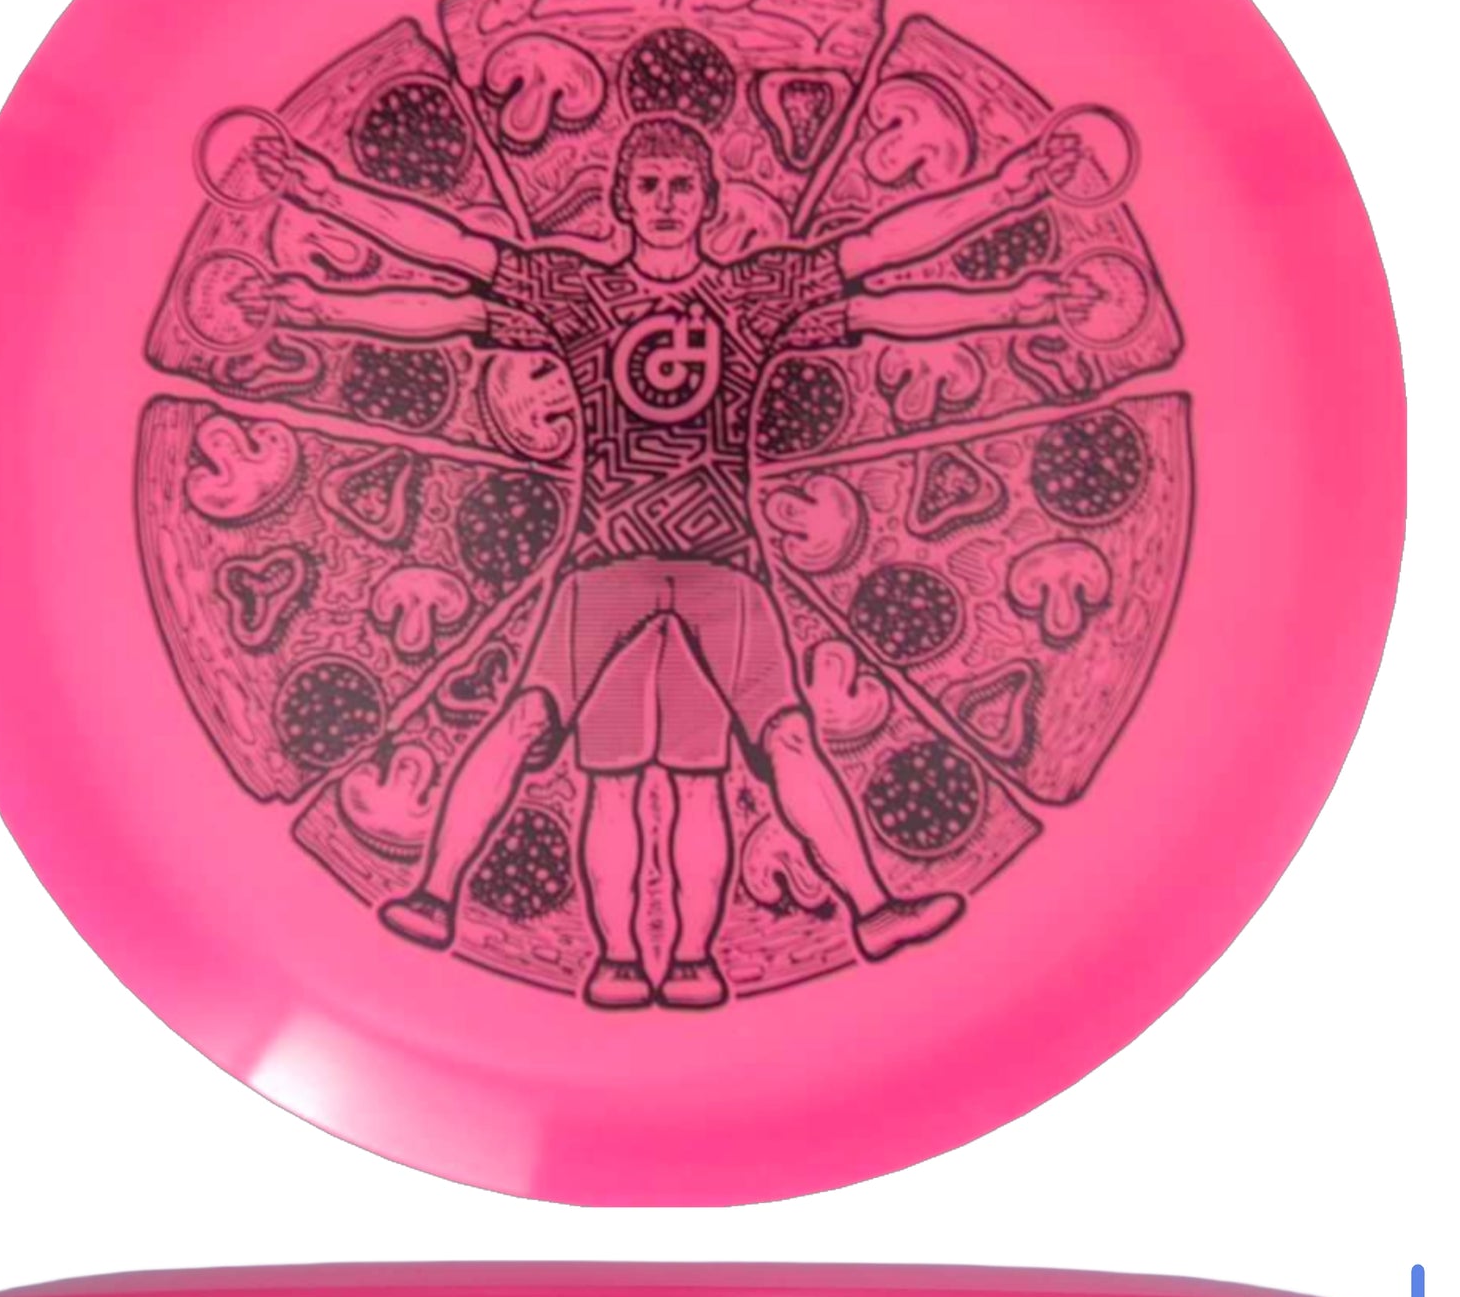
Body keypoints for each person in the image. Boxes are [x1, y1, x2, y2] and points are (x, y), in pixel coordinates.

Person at [254, 113, 1082, 1008]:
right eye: (647, 185)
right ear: (620, 199)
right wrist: (322, 222)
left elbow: (878, 271)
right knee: (552, 738)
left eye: (682, 185)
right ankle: (453, 899)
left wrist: (1011, 231)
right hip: (607, 564)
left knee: (737, 761)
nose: (664, 202)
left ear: (709, 199)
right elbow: (454, 268)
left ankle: (823, 924)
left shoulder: (755, 294)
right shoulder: (577, 293)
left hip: (722, 569)